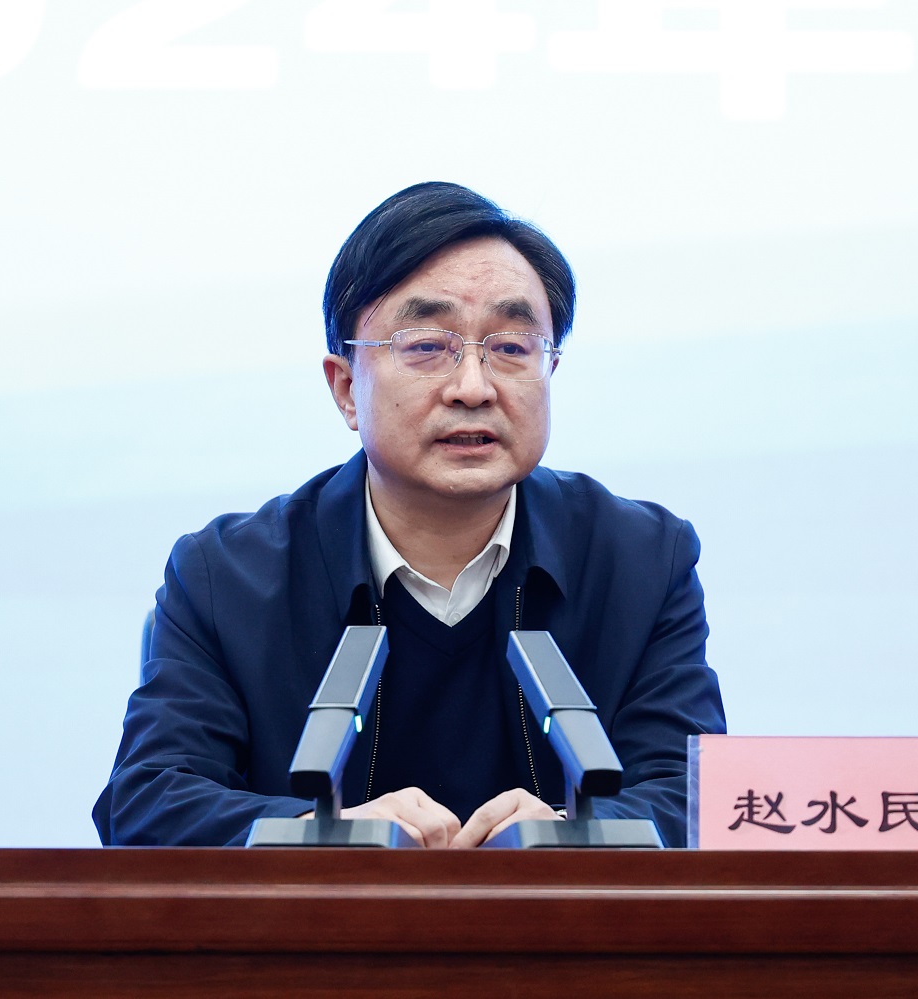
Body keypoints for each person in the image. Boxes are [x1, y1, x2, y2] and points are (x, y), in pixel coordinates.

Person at [93, 182, 725, 849]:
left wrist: (569, 839)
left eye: (512, 348)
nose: (474, 388)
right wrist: (323, 839)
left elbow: (697, 798)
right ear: (346, 389)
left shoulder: (642, 559)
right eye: (426, 345)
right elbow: (147, 802)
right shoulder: (227, 575)